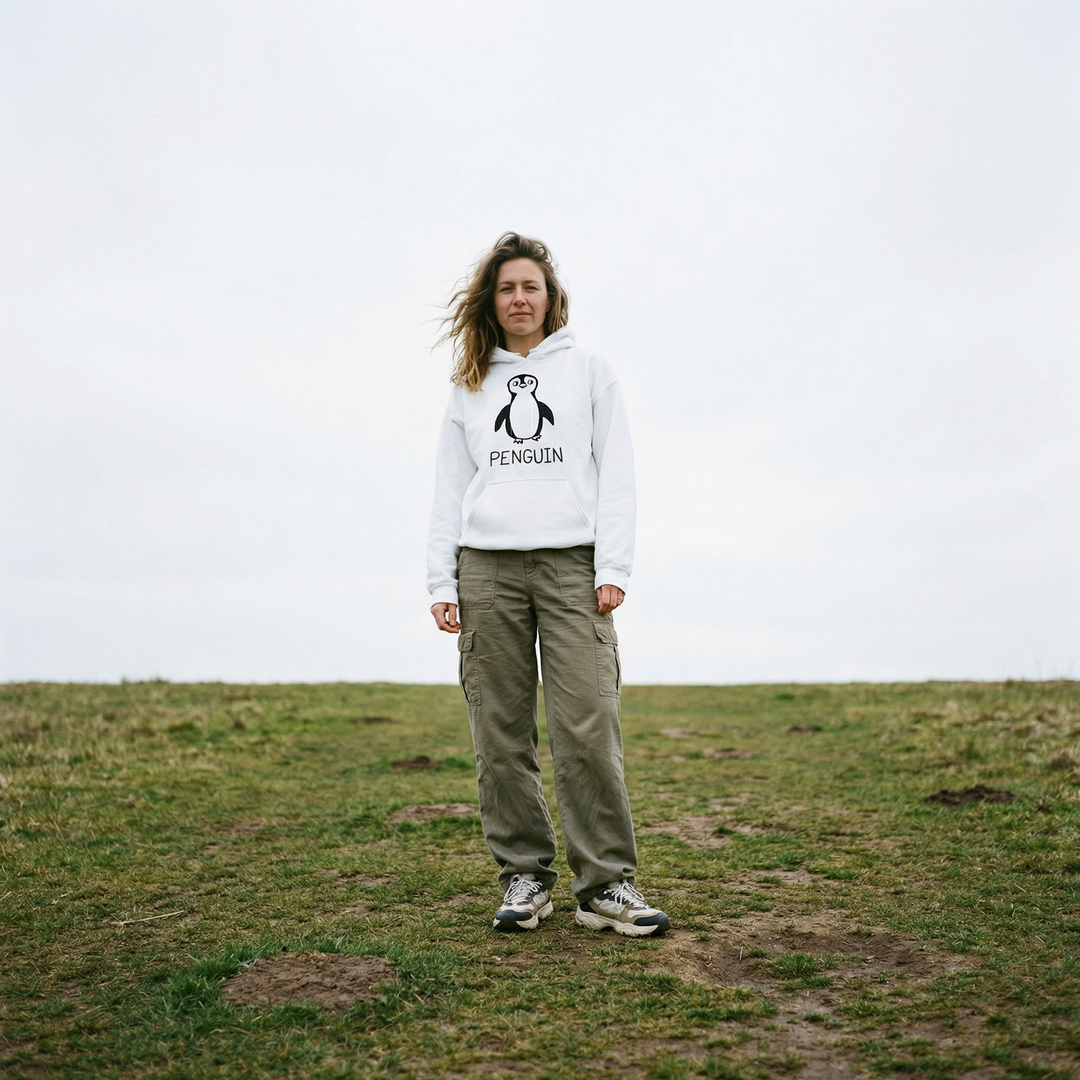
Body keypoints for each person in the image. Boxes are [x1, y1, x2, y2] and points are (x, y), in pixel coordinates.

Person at [427, 232, 669, 938]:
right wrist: (442, 579)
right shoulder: (469, 384)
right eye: (507, 288)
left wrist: (613, 567)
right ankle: (524, 878)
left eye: (530, 286)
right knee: (498, 733)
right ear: (492, 302)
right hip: (488, 570)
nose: (520, 298)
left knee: (587, 727)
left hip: (571, 566)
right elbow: (450, 487)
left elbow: (616, 470)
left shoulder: (589, 371)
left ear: (550, 297)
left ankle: (606, 886)